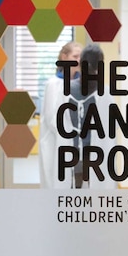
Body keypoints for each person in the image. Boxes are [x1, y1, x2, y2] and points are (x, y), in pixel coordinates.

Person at [66, 43, 117, 189]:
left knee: (72, 197)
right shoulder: (105, 92)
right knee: (95, 200)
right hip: (95, 157)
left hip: (72, 154)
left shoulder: (67, 89)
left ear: (81, 63)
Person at [39, 41, 81, 188]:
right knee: (58, 184)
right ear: (64, 57)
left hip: (79, 144)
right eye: (75, 56)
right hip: (58, 142)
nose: (79, 60)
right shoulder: (54, 84)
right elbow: (52, 119)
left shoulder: (83, 83)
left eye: (81, 57)